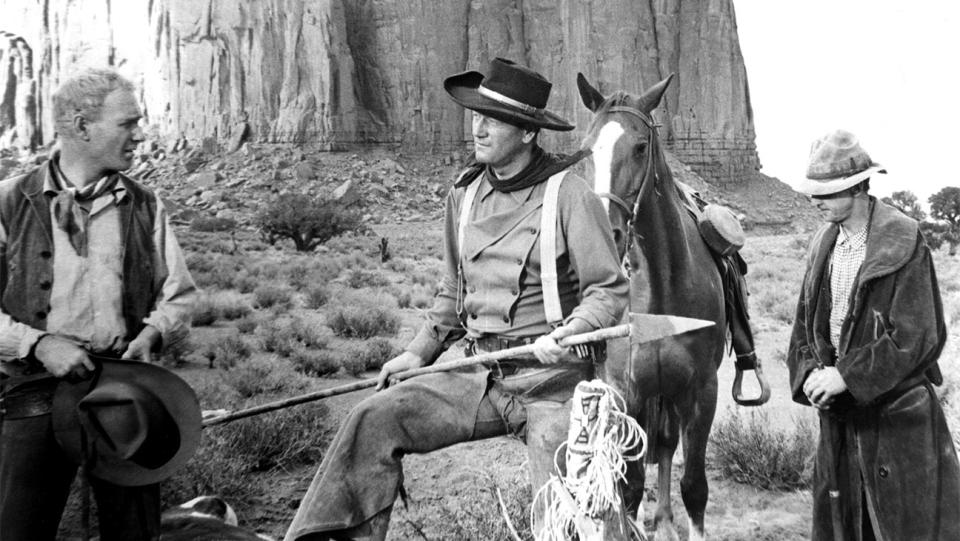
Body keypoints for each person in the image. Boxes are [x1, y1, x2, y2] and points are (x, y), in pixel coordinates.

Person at [284, 58, 629, 541]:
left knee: (564, 516)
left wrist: (574, 329)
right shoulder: (463, 196)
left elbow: (607, 289)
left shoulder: (569, 195)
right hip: (478, 375)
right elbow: (452, 292)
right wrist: (417, 352)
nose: (478, 128)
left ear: (528, 133)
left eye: (493, 119)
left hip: (553, 381)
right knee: (372, 421)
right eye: (476, 116)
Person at [0, 68, 198, 541]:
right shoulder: (9, 202)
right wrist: (39, 344)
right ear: (82, 125)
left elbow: (180, 296)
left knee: (133, 532)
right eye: (128, 123)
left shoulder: (145, 205)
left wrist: (153, 333)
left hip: (124, 398)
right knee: (17, 529)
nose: (139, 135)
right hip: (33, 395)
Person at [787, 129, 960, 541]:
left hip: (899, 420)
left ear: (858, 187)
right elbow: (802, 329)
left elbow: (918, 334)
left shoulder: (902, 239)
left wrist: (847, 375)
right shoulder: (823, 245)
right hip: (840, 422)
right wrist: (811, 371)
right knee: (846, 525)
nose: (816, 200)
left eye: (827, 192)